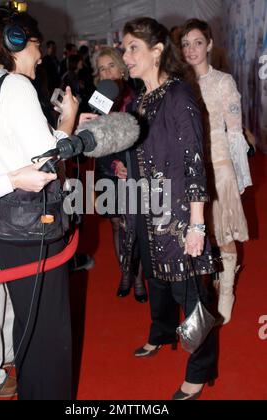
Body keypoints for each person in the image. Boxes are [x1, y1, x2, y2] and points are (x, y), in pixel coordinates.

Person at [0, 7, 79, 400]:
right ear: (16, 43)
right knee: (49, 330)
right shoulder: (16, 85)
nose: (39, 55)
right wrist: (68, 122)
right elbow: (48, 157)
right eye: (34, 45)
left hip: (3, 223)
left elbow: (13, 147)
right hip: (32, 223)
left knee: (29, 322)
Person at [121, 17, 217, 400]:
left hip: (178, 214)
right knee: (156, 282)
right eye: (124, 48)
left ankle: (200, 370)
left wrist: (197, 225)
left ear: (157, 51)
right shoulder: (141, 98)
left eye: (133, 48)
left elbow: (195, 161)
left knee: (191, 293)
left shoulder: (178, 95)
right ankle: (161, 334)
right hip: (147, 209)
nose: (125, 56)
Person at [180, 18, 252, 324]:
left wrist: (238, 176)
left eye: (198, 42)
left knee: (223, 232)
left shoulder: (224, 82)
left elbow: (235, 133)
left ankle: (227, 289)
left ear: (209, 45)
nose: (192, 49)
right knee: (200, 231)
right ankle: (210, 279)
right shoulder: (179, 84)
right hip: (190, 170)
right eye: (185, 44)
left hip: (220, 166)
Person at [93, 46, 147, 302]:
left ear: (122, 67)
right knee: (116, 224)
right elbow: (96, 137)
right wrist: (114, 164)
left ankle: (138, 279)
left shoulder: (135, 95)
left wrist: (129, 164)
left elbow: (144, 135)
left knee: (134, 226)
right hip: (107, 168)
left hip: (134, 167)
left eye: (110, 66)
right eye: (101, 68)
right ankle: (125, 274)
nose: (106, 72)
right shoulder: (98, 100)